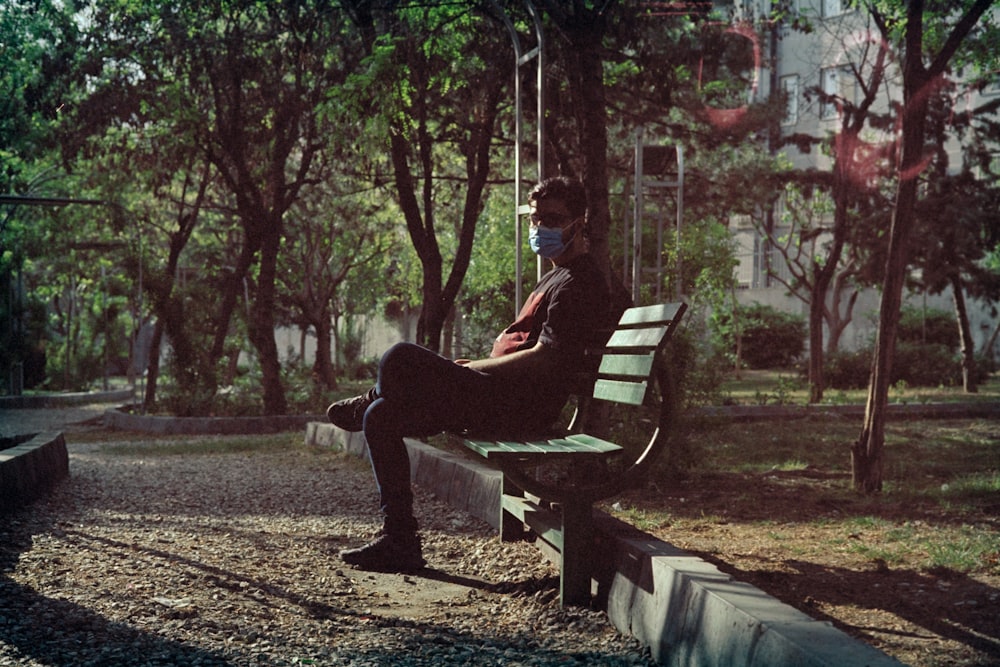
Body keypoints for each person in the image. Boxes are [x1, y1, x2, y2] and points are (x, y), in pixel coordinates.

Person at [326, 176, 612, 573]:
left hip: (514, 408)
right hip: (496, 397)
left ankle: (369, 399)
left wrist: (473, 368)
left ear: (579, 223)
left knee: (399, 357)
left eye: (552, 219)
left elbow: (546, 359)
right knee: (382, 417)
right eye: (535, 219)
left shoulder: (578, 284)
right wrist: (470, 369)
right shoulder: (557, 276)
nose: (540, 228)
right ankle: (400, 540)